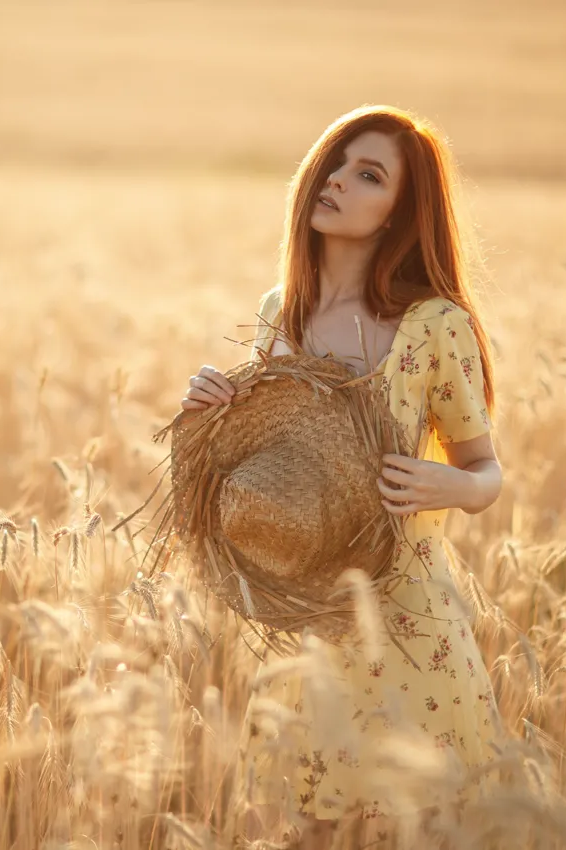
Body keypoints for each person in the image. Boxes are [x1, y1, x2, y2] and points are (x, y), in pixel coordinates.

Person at [180, 105, 504, 848]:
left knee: (427, 827)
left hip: (414, 620)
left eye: (370, 176)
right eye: (335, 162)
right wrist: (207, 414)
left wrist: (447, 485)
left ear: (400, 212)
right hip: (316, 619)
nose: (338, 181)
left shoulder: (433, 326)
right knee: (312, 830)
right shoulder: (279, 314)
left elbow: (485, 472)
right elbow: (268, 465)